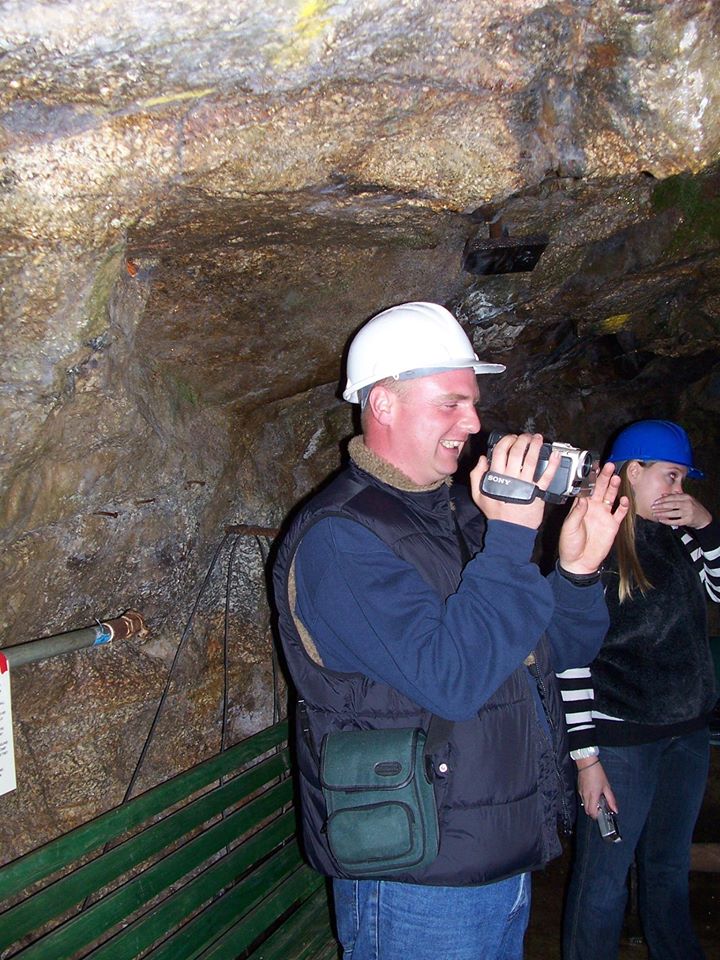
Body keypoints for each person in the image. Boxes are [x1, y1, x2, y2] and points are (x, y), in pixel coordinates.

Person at [273, 301, 627, 960]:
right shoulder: (340, 539)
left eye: (472, 403)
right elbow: (453, 679)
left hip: (492, 846)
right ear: (382, 404)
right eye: (451, 404)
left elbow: (545, 658)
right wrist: (514, 538)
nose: (473, 421)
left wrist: (575, 573)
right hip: (417, 873)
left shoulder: (459, 516)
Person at [561, 419, 720, 960]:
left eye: (682, 480)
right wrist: (586, 758)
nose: (679, 491)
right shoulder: (594, 540)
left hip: (687, 734)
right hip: (622, 741)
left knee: (668, 868)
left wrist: (706, 525)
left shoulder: (680, 534)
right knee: (603, 881)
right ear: (635, 471)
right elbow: (569, 659)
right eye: (670, 477)